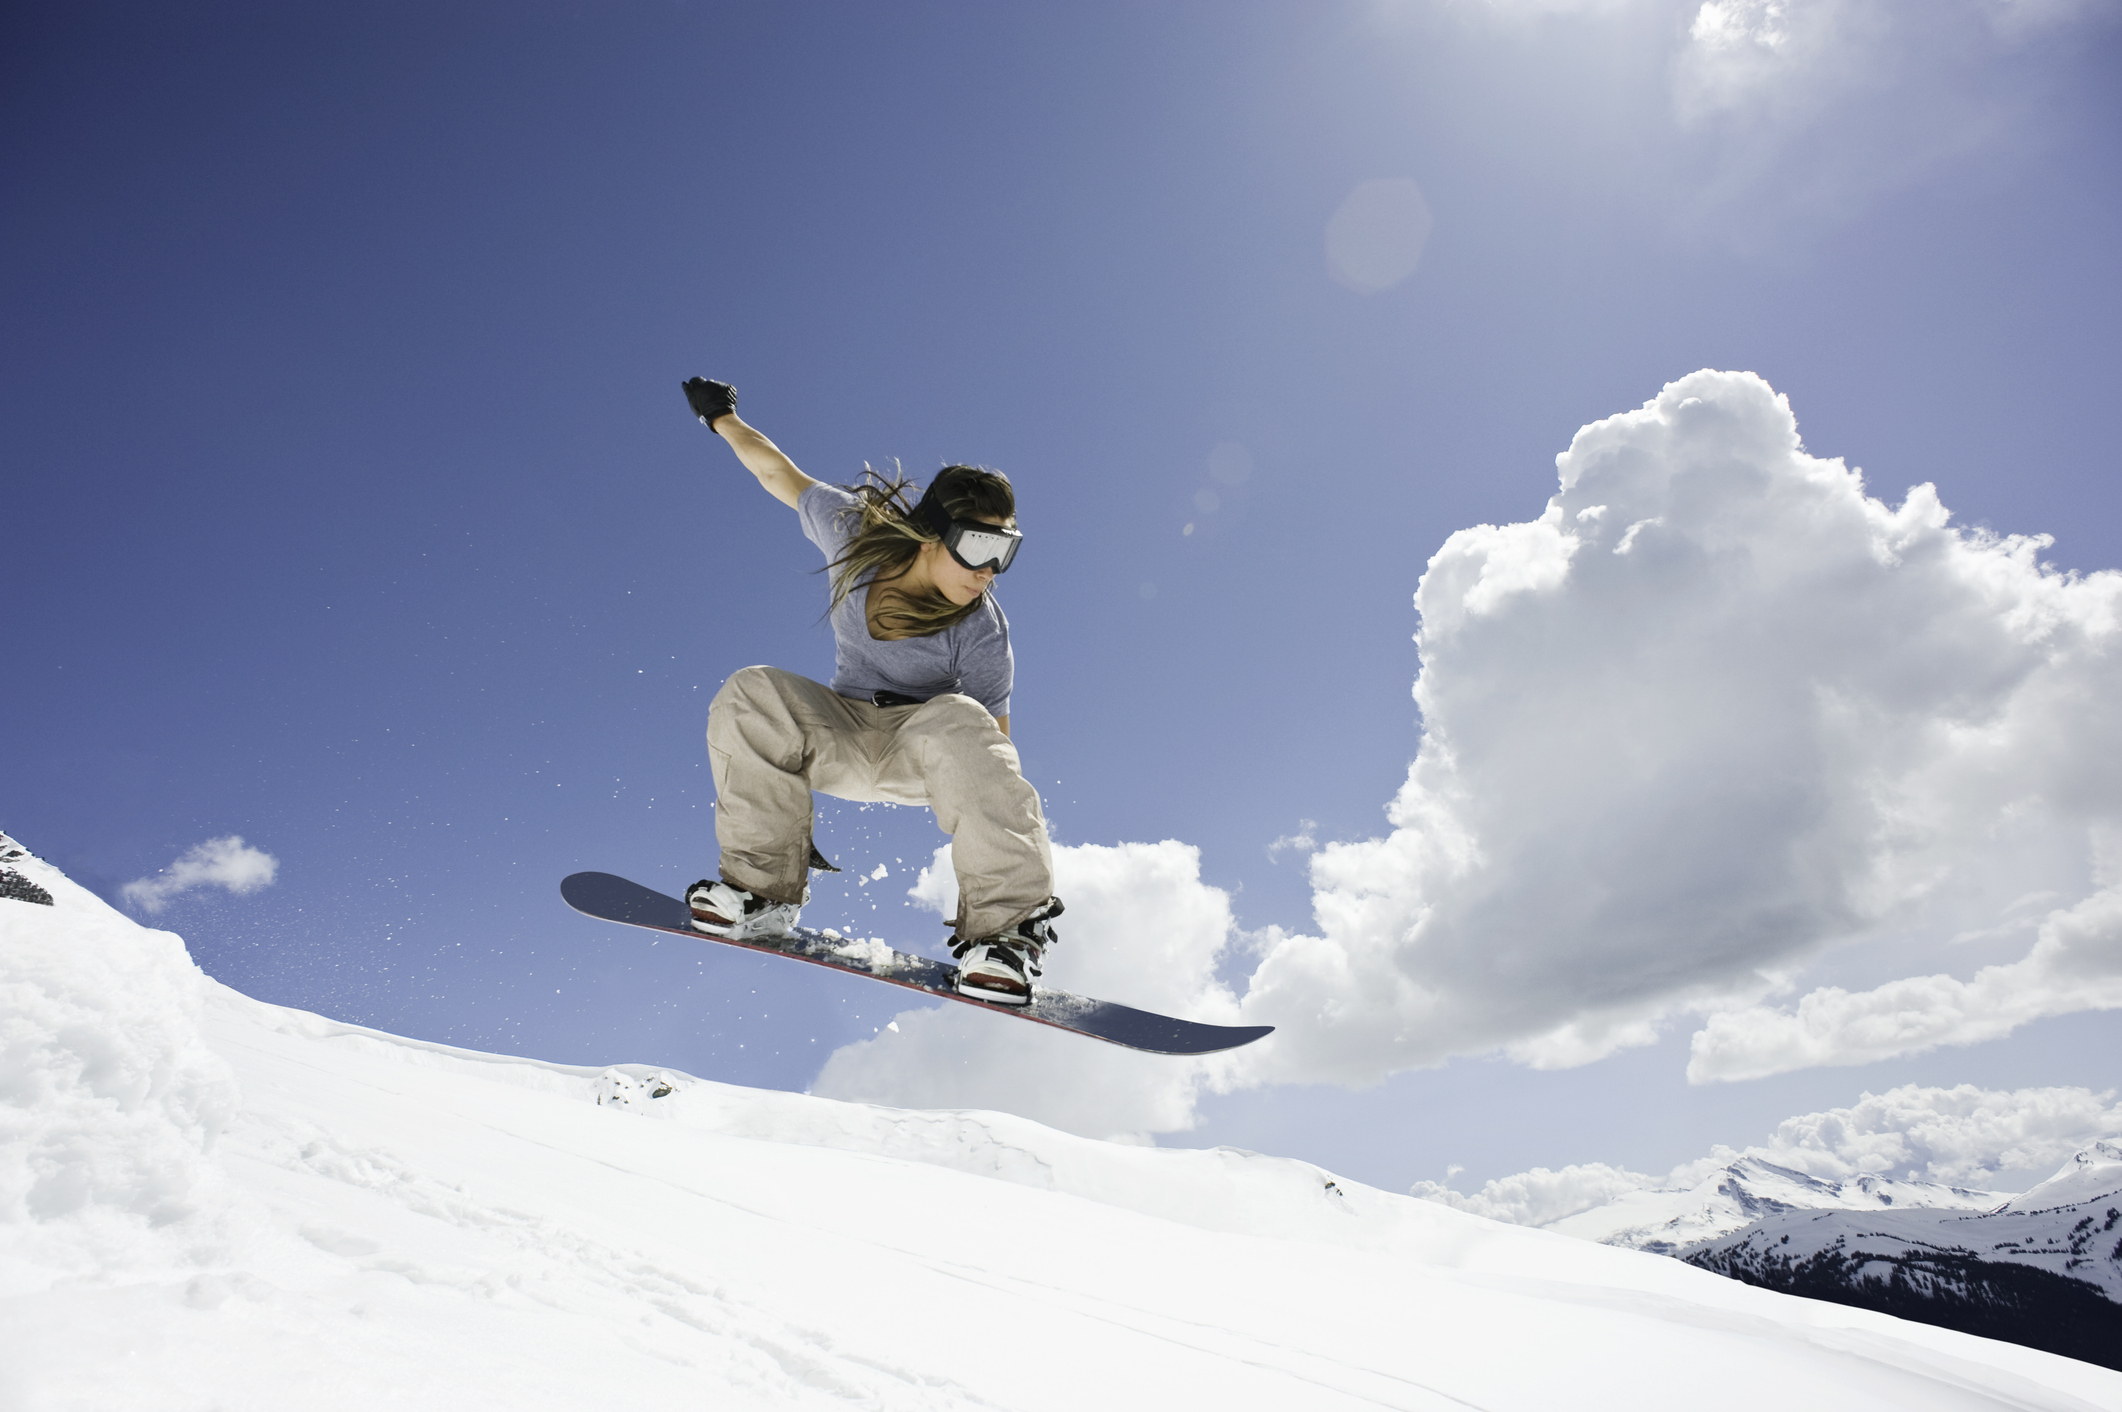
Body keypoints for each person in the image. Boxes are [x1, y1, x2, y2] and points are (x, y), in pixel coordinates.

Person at [678, 376, 1063, 1005]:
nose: (989, 570)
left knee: (961, 716)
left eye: (1005, 551)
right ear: (933, 533)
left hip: (925, 750)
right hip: (842, 732)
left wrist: (1000, 844)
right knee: (751, 691)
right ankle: (761, 893)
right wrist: (721, 417)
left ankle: (1006, 937)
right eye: (978, 547)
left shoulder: (983, 628)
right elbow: (777, 473)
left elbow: (994, 750)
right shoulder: (854, 534)